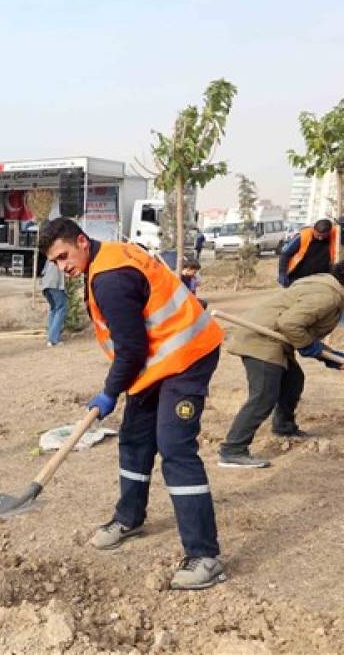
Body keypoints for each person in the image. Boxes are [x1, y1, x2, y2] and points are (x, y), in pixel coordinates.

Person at [39, 217, 226, 590]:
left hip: (187, 356)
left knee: (175, 448)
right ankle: (129, 517)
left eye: (64, 256)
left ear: (81, 241)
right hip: (155, 362)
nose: (63, 268)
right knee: (136, 439)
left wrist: (110, 392)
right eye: (55, 263)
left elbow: (131, 348)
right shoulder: (104, 257)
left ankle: (205, 556)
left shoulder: (109, 277)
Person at [219, 257, 344, 468]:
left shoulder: (326, 285)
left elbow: (301, 331)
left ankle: (284, 427)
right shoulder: (327, 296)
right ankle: (232, 450)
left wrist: (333, 358)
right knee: (263, 395)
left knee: (293, 380)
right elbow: (290, 323)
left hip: (275, 341)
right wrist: (312, 349)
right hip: (261, 340)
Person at [278, 218, 344, 287]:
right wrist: (282, 273)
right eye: (318, 235)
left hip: (323, 276)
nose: (320, 238)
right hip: (298, 276)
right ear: (314, 229)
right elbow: (285, 254)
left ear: (329, 232)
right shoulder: (303, 236)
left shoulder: (335, 234)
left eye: (323, 236)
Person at [40, 257, 67, 347]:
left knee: (54, 309)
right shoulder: (61, 255)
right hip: (55, 284)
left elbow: (43, 272)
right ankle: (53, 339)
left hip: (46, 286)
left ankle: (50, 339)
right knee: (61, 308)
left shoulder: (50, 257)